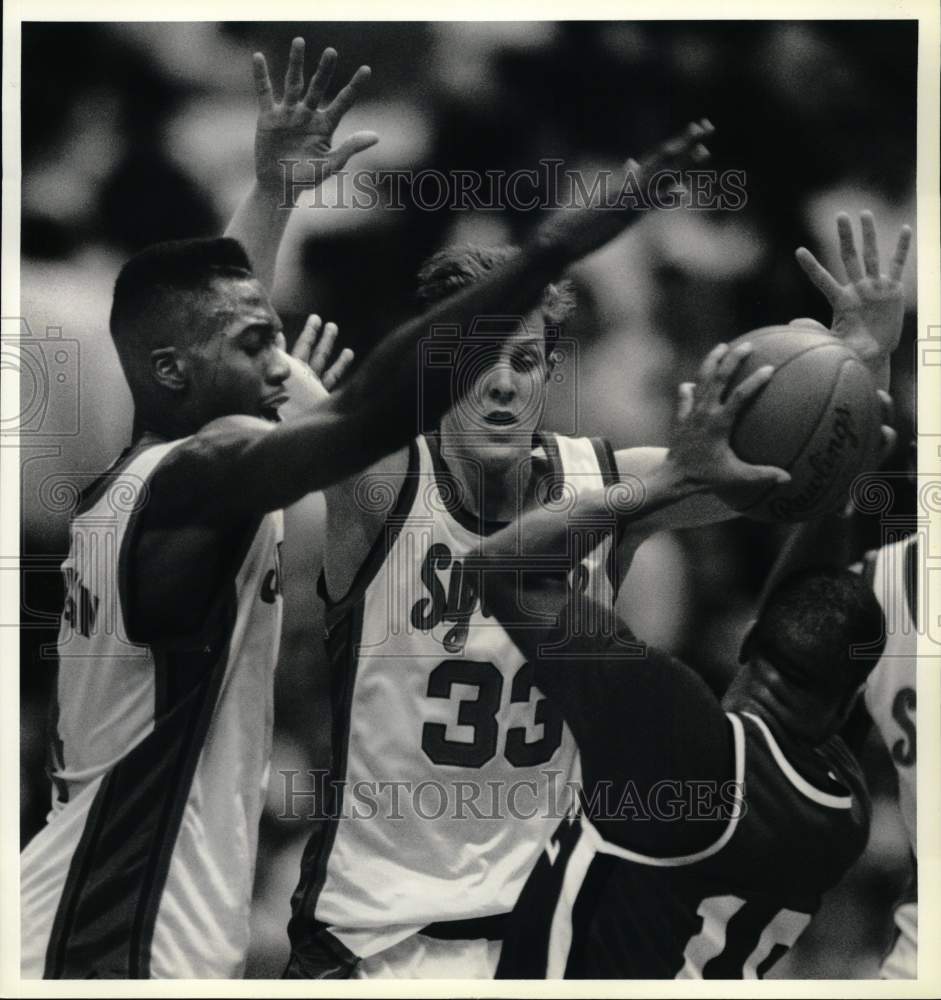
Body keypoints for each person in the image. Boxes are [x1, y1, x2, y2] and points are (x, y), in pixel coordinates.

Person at [19, 39, 716, 978]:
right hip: (124, 935)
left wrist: (272, 194)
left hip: (130, 917)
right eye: (254, 348)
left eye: (272, 342)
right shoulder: (192, 484)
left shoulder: (147, 478)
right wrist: (556, 247)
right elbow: (366, 414)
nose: (277, 363)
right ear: (176, 373)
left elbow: (213, 327)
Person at [473, 354, 889, 978]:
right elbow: (806, 612)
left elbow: (498, 569)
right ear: (850, 703)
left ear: (749, 644)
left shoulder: (676, 733)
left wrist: (669, 480)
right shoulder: (845, 807)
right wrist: (834, 487)